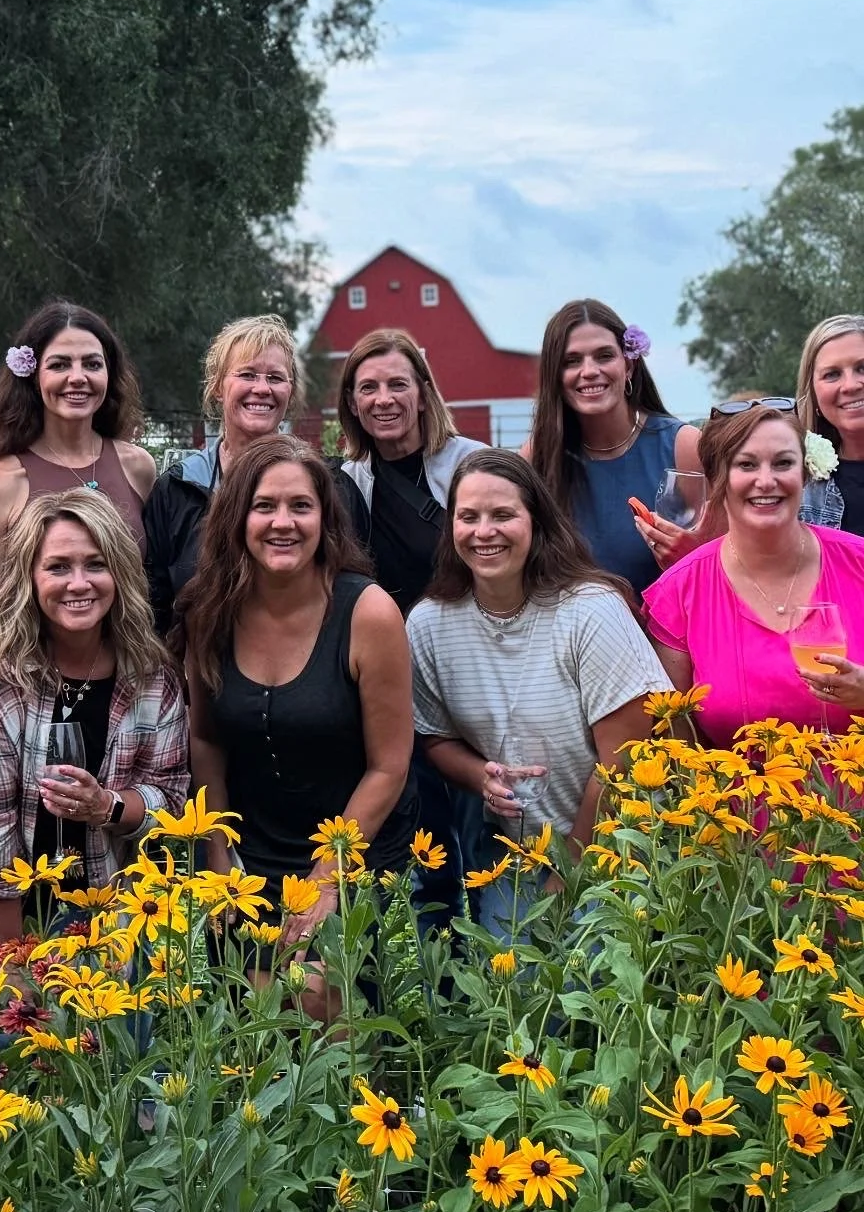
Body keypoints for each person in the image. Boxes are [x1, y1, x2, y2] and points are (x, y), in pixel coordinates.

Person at [182, 436, 415, 1018]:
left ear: (325, 518)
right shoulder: (209, 611)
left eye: (300, 507)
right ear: (238, 519)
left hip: (349, 853)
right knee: (245, 1027)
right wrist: (217, 857)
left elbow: (390, 764)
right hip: (244, 859)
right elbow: (206, 739)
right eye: (264, 506)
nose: (282, 522)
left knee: (317, 1006)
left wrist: (328, 879)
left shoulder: (368, 613)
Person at [408, 450, 669, 937]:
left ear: (536, 522)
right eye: (468, 517)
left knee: (600, 996)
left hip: (623, 847)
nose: (484, 531)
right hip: (517, 854)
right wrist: (478, 777)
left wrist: (568, 873)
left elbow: (625, 760)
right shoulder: (428, 625)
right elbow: (434, 737)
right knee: (514, 1000)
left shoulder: (590, 610)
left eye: (503, 514)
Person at [0, 490, 188, 952]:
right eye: (58, 566)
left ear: (120, 574)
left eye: (96, 564)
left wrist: (105, 805)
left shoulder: (150, 676)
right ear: (30, 577)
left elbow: (171, 798)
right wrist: (17, 970)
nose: (79, 583)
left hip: (111, 916)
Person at [332, 329, 486, 928]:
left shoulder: (469, 463)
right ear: (351, 403)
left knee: (488, 838)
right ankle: (445, 991)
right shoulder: (348, 483)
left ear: (423, 392)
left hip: (473, 672)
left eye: (398, 383)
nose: (383, 399)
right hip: (396, 687)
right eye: (367, 388)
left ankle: (502, 968)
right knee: (429, 856)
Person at [642, 405, 864, 746]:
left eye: (783, 463)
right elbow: (676, 738)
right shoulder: (679, 592)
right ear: (718, 479)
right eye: (746, 464)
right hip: (736, 798)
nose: (766, 480)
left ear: (804, 474)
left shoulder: (858, 561)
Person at [0, 303, 155, 652]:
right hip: (34, 687)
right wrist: (65, 634)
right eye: (60, 364)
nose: (78, 377)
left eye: (92, 364)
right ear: (33, 375)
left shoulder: (139, 468)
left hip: (126, 683)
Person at [525, 300, 701, 598]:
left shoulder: (683, 446)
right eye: (572, 361)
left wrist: (690, 554)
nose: (589, 371)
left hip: (670, 636)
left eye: (604, 356)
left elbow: (726, 554)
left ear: (628, 365)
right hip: (574, 639)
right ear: (555, 375)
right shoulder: (534, 460)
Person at [144, 314, 303, 636]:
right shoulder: (177, 488)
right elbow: (155, 599)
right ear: (218, 386)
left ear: (290, 389)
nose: (261, 388)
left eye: (275, 377)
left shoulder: (321, 484)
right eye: (247, 374)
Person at [797, 315, 864, 532]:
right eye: (832, 374)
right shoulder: (796, 485)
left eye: (862, 368)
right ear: (813, 394)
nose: (850, 385)